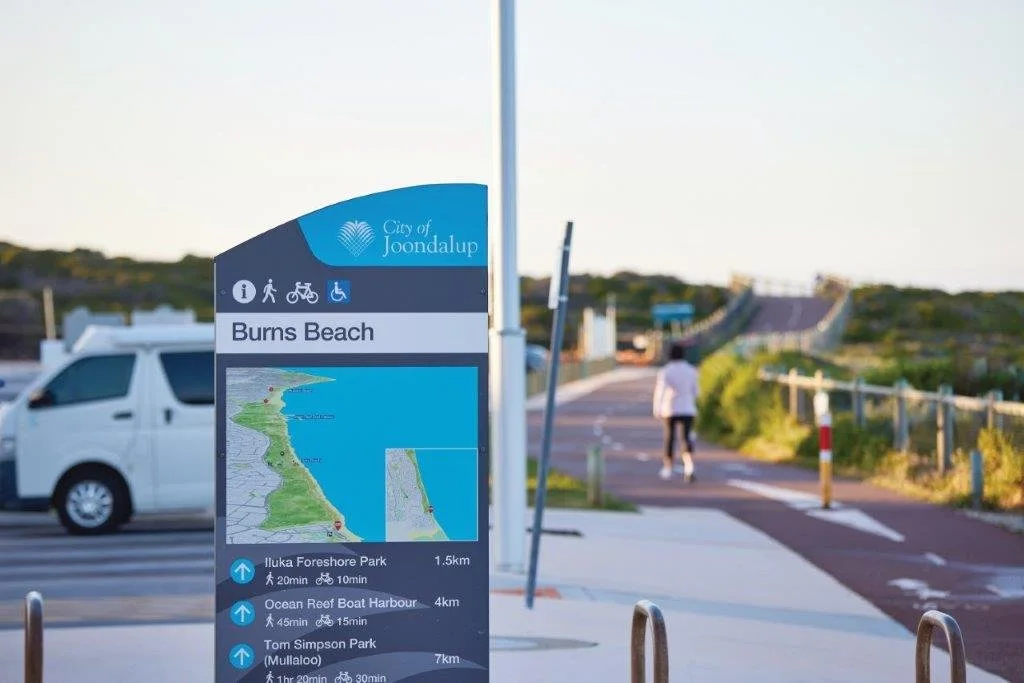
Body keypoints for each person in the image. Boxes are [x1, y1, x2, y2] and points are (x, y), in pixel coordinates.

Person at [652, 342, 700, 482]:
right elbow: (696, 391)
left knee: (670, 438)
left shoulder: (666, 371)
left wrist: (657, 408)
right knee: (686, 438)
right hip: (688, 408)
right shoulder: (691, 370)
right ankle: (689, 466)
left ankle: (668, 467)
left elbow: (660, 390)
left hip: (670, 408)